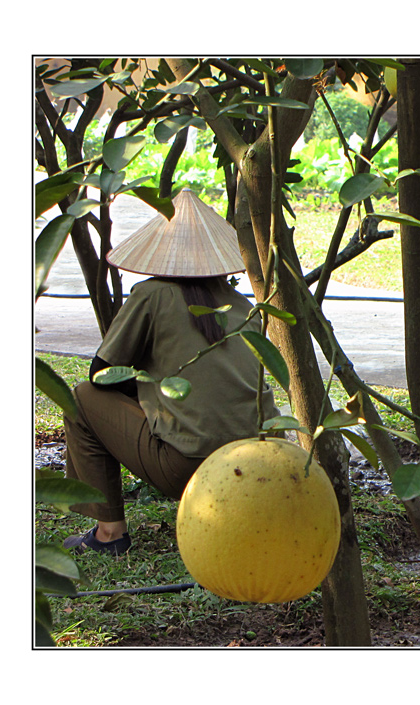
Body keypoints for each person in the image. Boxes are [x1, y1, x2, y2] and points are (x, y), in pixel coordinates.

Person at [61, 189, 279, 555]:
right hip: (257, 467)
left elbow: (102, 374)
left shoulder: (152, 294)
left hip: (187, 468)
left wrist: (148, 389)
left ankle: (109, 533)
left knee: (82, 398)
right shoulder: (242, 303)